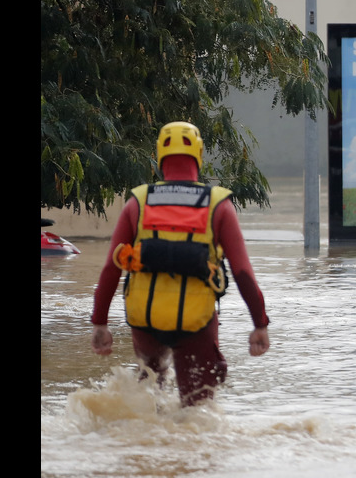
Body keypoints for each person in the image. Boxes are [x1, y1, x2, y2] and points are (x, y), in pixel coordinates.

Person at [90, 121, 270, 406]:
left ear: (160, 155)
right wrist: (259, 323)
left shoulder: (137, 202)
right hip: (196, 322)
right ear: (199, 154)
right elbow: (243, 272)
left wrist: (100, 322)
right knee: (196, 411)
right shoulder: (218, 205)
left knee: (150, 400)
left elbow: (112, 267)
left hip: (145, 320)